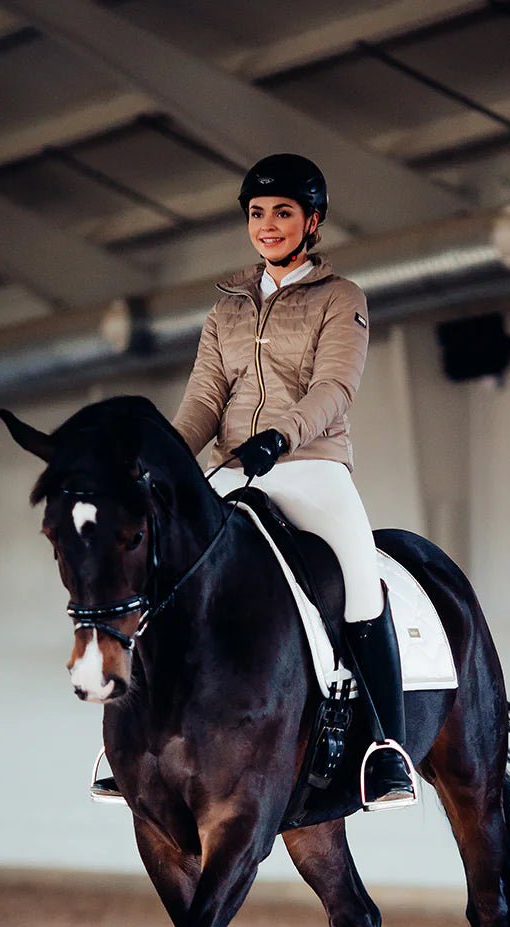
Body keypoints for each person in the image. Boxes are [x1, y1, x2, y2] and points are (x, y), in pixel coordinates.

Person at [172, 153, 416, 809]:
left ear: (311, 222)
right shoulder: (225, 309)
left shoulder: (341, 298)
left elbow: (335, 386)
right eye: (257, 213)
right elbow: (204, 399)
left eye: (282, 213)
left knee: (360, 584)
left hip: (310, 467)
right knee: (163, 573)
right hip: (232, 471)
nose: (268, 225)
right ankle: (135, 740)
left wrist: (280, 437)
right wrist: (167, 460)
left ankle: (387, 750)